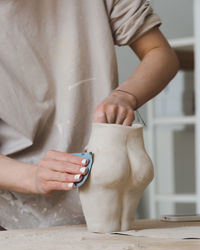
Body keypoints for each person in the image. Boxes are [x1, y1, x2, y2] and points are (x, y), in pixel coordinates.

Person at [0, 0, 179, 230]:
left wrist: (126, 96)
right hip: (10, 210)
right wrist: (33, 177)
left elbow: (159, 53)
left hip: (99, 195)